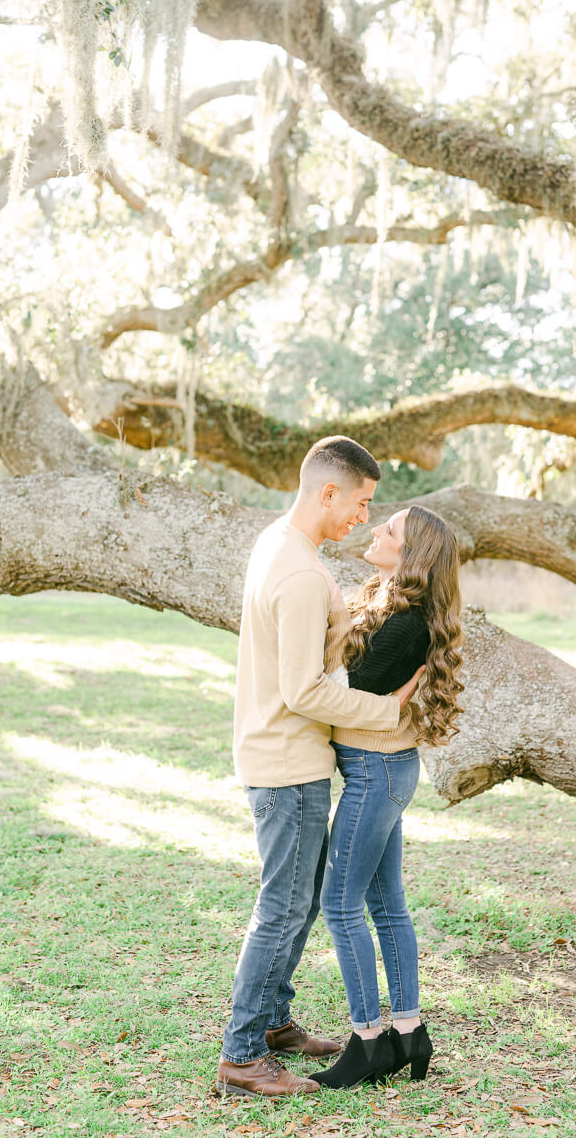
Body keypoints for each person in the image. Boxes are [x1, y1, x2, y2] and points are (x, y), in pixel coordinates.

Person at [215, 437, 423, 1099]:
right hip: (288, 759)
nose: (364, 516)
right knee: (282, 909)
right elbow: (306, 690)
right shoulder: (301, 571)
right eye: (361, 502)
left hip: (277, 751)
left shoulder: (281, 545)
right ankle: (244, 1054)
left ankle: (273, 1023)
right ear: (328, 492)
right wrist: (389, 712)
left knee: (300, 902)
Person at [309, 504, 464, 1090]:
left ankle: (369, 1041)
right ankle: (410, 1032)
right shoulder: (397, 606)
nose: (377, 530)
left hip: (375, 770)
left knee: (340, 904)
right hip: (385, 767)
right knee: (386, 906)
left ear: (413, 553)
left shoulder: (408, 624)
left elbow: (344, 689)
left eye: (390, 529)